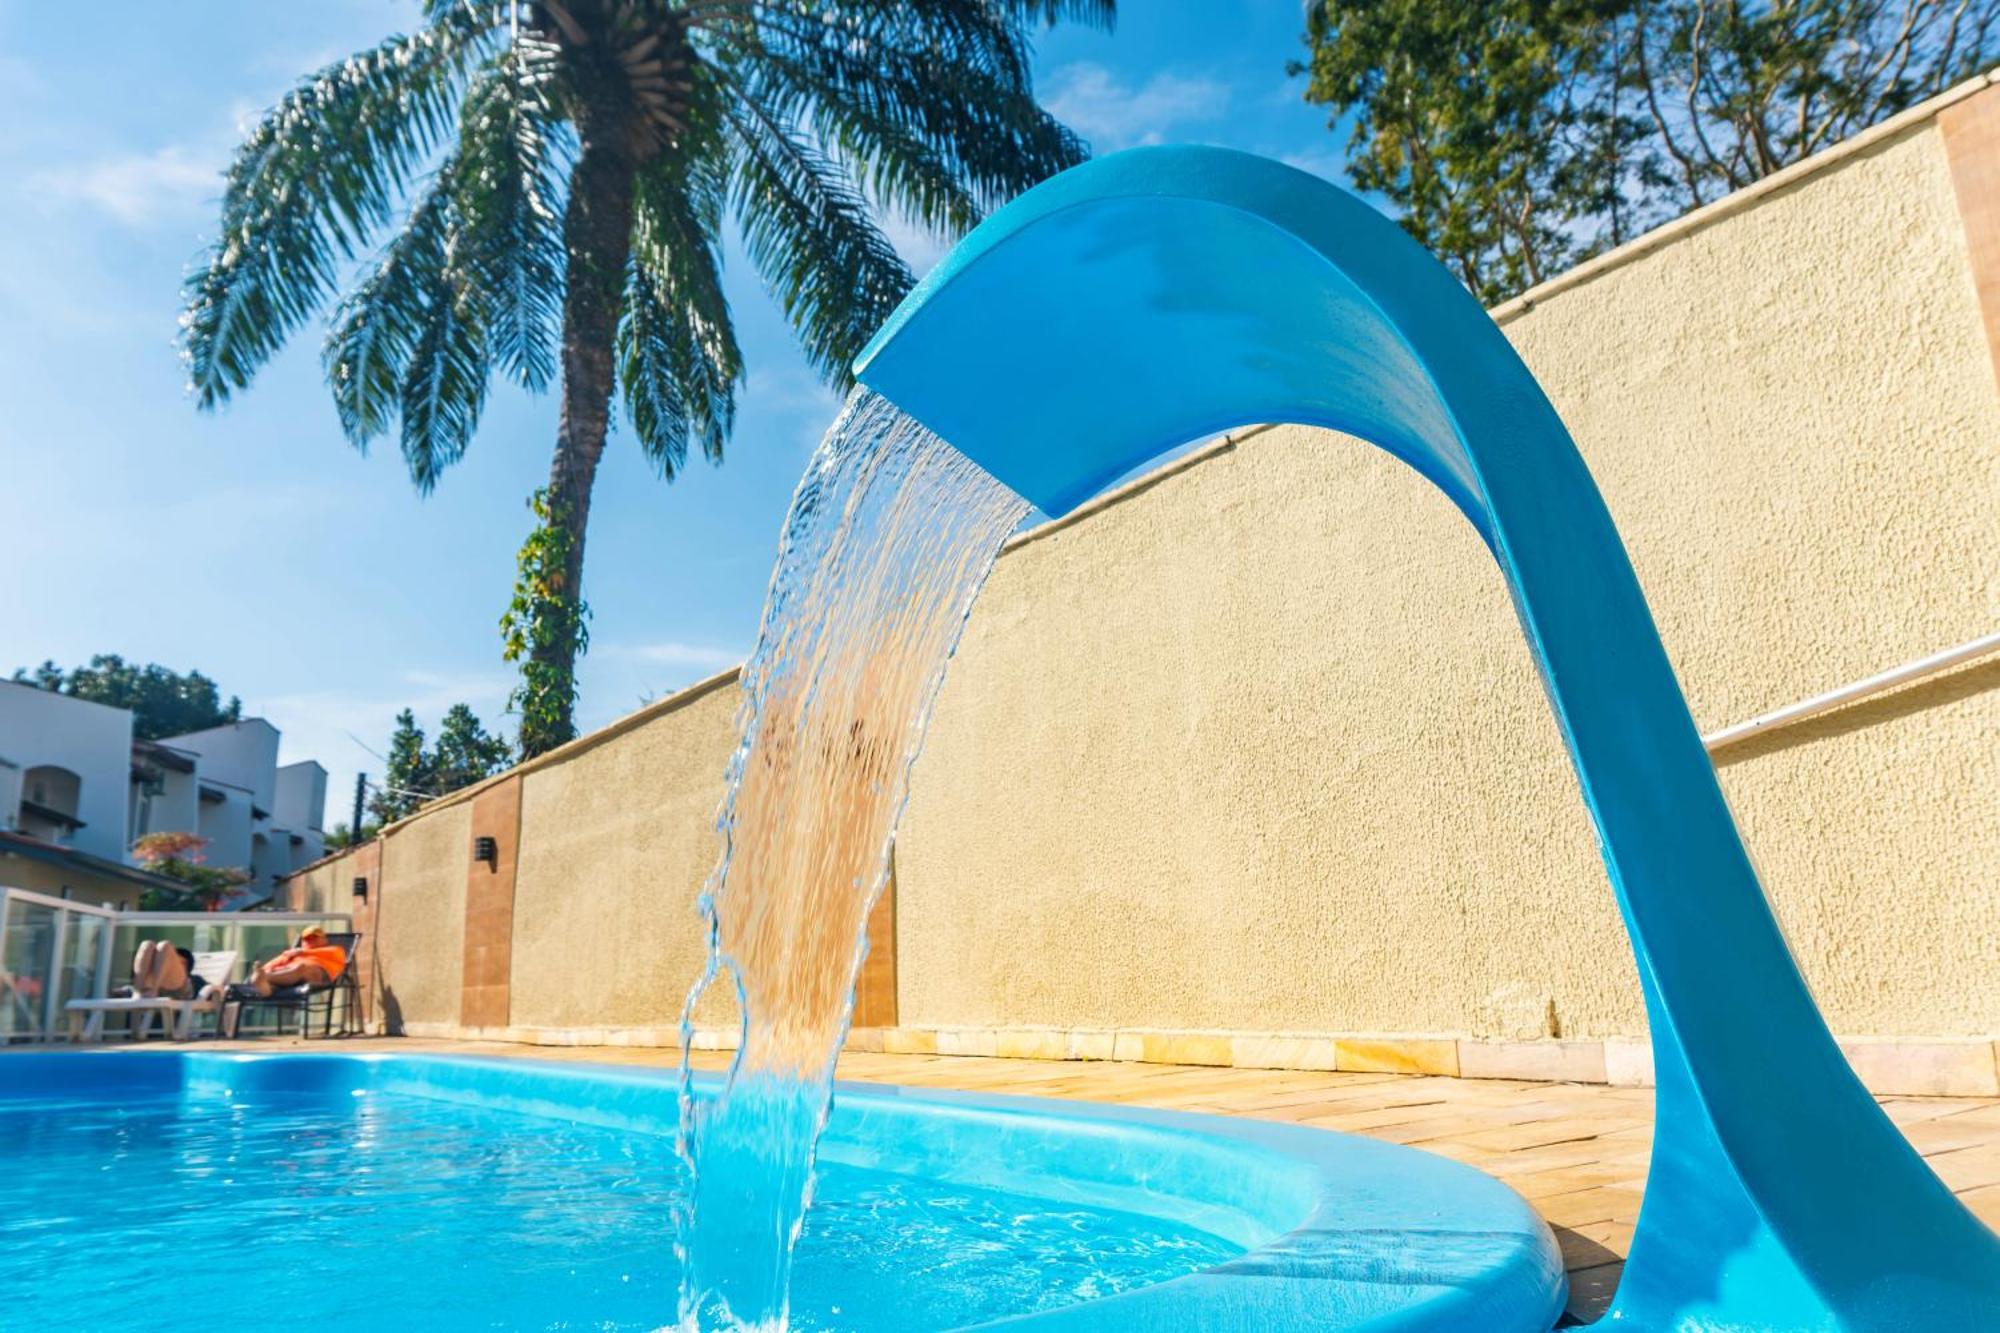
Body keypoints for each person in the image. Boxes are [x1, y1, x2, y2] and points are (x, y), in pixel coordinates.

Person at [243, 926, 346, 997]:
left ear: (324, 939)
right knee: (270, 975)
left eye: (315, 937)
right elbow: (272, 964)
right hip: (289, 976)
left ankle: (265, 979)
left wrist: (301, 952)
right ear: (302, 942)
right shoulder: (291, 954)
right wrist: (265, 970)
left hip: (318, 976)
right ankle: (266, 987)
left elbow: (330, 954)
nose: (311, 940)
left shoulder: (335, 949)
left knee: (301, 968)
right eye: (307, 939)